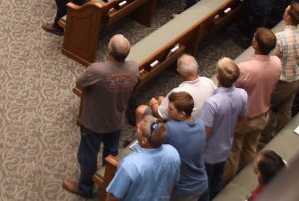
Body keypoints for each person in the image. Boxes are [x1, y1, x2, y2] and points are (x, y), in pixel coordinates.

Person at [63, 35, 139, 198]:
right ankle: (107, 178)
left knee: (88, 155)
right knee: (111, 152)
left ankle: (85, 188)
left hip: (93, 122)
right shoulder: (133, 68)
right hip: (116, 120)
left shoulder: (97, 70)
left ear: (109, 51)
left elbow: (79, 83)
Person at [224, 28, 281, 181]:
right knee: (250, 149)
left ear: (255, 43)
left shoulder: (245, 69)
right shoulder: (276, 62)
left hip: (244, 119)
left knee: (233, 152)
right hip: (262, 114)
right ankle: (242, 179)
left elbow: (229, 89)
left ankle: (227, 185)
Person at [200, 58, 247, 199]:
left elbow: (205, 133)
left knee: (205, 186)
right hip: (226, 146)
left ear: (217, 75)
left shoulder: (212, 103)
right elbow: (242, 120)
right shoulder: (242, 94)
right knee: (217, 180)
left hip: (209, 152)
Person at [105, 115, 180, 201]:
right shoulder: (173, 153)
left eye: (138, 128)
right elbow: (174, 182)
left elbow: (113, 197)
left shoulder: (129, 165)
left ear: (144, 141)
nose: (137, 127)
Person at [263, 3, 299, 142]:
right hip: (297, 78)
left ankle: (263, 138)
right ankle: (279, 139)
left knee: (266, 107)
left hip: (282, 82)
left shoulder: (280, 38)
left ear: (288, 17)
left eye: (285, 10)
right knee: (285, 110)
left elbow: (270, 61)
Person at [163, 91, 209, 201]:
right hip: (200, 183)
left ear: (182, 114)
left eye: (170, 109)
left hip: (182, 189)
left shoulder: (170, 128)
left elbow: (155, 144)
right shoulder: (200, 123)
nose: (167, 111)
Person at [150, 54, 216, 120]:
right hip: (207, 118)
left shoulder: (177, 93)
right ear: (197, 66)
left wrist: (153, 104)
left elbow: (161, 115)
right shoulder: (208, 81)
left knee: (142, 109)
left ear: (178, 71)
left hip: (183, 125)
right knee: (161, 99)